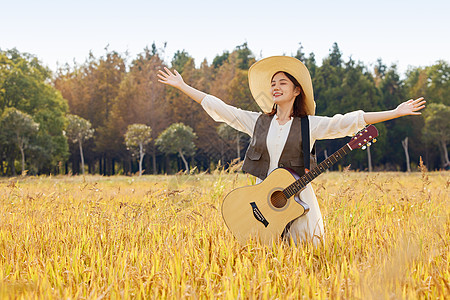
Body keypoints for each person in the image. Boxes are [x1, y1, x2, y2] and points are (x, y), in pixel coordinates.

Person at [157, 56, 425, 246]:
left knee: (303, 256)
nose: (275, 86)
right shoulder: (258, 121)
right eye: (273, 83)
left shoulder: (311, 125)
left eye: (282, 82)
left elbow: (350, 121)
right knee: (262, 253)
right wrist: (183, 86)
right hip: (262, 200)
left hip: (297, 201)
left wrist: (395, 112)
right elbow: (220, 108)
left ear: (296, 90)